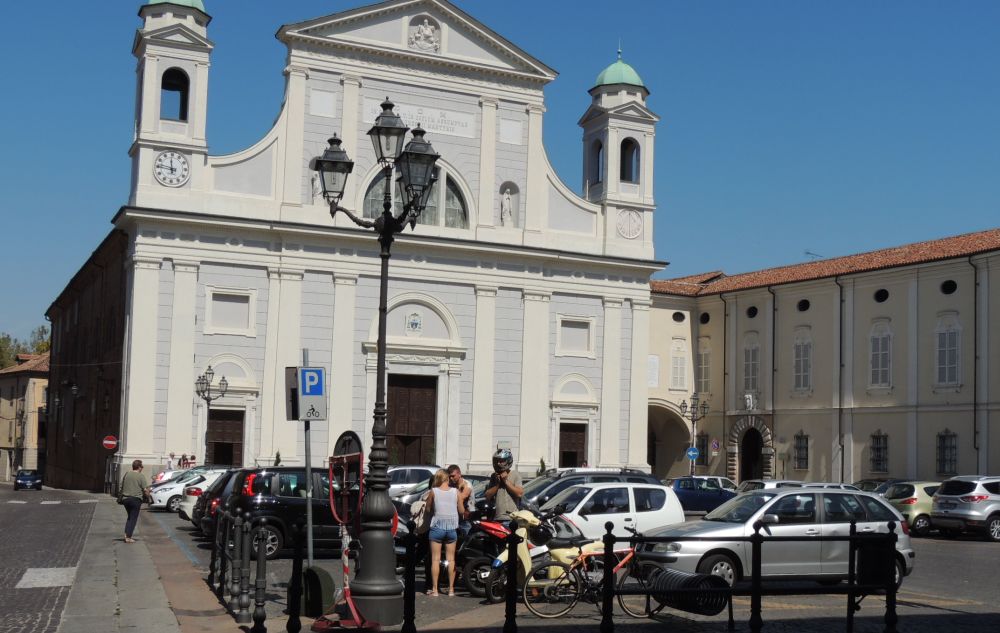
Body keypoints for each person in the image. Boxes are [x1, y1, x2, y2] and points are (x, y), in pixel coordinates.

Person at [425, 469, 460, 596]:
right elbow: (461, 510)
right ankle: (451, 590)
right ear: (447, 479)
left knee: (435, 559)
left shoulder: (433, 491)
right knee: (451, 559)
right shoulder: (456, 492)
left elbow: (428, 509)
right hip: (451, 528)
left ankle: (435, 590)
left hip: (437, 528)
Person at [484, 447, 523, 522]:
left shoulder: (515, 474)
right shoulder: (494, 476)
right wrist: (497, 484)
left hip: (512, 518)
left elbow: (519, 493)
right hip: (498, 518)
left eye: (501, 461)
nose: (498, 463)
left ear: (508, 461)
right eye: (497, 461)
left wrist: (505, 481)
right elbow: (487, 496)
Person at [120, 460, 150, 543]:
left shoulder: (127, 474)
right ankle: (128, 537)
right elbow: (145, 490)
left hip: (125, 499)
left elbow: (121, 486)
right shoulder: (141, 476)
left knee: (130, 517)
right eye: (142, 467)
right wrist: (149, 497)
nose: (142, 468)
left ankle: (126, 534)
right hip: (135, 500)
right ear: (139, 467)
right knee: (133, 518)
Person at [447, 464, 473, 536]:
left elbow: (461, 498)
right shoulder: (450, 485)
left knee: (465, 540)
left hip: (465, 519)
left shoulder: (467, 484)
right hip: (453, 518)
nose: (451, 478)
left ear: (459, 474)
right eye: (449, 476)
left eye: (453, 476)